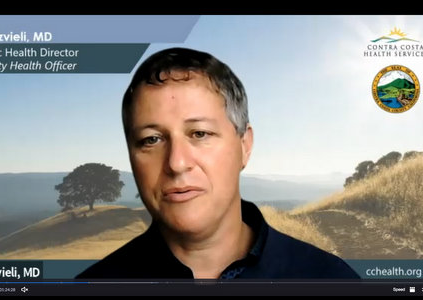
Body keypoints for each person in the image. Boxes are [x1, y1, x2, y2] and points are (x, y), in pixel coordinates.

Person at [76, 48, 359, 279]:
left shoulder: (329, 279)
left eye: (200, 133)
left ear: (244, 146)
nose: (176, 163)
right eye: (151, 140)